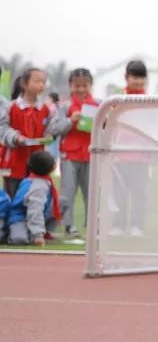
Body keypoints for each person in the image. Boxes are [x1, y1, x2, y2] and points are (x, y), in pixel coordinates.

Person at [1, 67, 68, 198]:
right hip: (14, 163)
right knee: (12, 199)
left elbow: (52, 128)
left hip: (38, 164)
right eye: (37, 81)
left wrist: (51, 135)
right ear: (24, 84)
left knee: (36, 199)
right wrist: (15, 137)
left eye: (43, 82)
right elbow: (2, 129)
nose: (41, 84)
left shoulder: (46, 109)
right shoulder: (11, 107)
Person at [109, 60, 150, 236]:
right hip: (118, 154)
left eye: (141, 77)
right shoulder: (117, 98)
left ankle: (137, 226)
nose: (138, 81)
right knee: (120, 193)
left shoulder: (150, 99)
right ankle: (119, 225)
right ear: (127, 77)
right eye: (134, 77)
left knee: (139, 193)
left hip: (141, 156)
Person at [57, 68, 98, 238]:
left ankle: (92, 226)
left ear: (91, 85)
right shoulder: (65, 107)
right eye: (77, 85)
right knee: (67, 192)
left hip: (91, 154)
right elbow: (54, 128)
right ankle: (68, 225)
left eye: (85, 85)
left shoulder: (99, 105)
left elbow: (105, 128)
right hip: (69, 155)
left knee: (92, 192)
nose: (81, 89)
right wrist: (69, 120)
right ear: (70, 85)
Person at [6, 150, 61, 245]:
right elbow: (35, 210)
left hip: (35, 212)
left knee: (62, 202)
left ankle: (45, 231)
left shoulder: (38, 178)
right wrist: (38, 235)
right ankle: (10, 232)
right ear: (50, 168)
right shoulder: (38, 187)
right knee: (19, 240)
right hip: (20, 217)